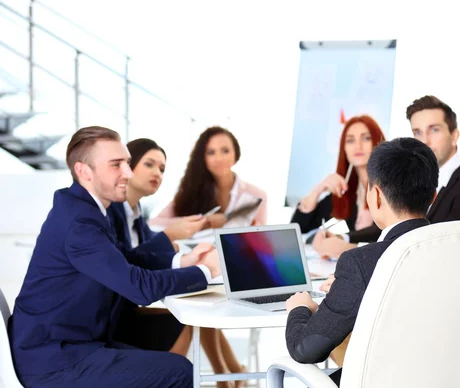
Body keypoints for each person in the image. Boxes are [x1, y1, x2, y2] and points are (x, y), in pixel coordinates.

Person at [8, 126, 221, 388]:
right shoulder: (80, 222)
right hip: (56, 360)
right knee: (180, 372)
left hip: (72, 344)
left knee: (169, 360)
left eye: (128, 164)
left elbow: (125, 258)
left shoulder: (88, 209)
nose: (128, 173)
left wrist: (183, 262)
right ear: (83, 171)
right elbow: (139, 288)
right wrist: (206, 271)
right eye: (116, 165)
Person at [285, 137, 438, 386]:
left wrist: (300, 308)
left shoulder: (361, 263)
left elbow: (305, 349)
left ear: (375, 196)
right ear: (432, 197)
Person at [108, 138, 245, 388]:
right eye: (149, 164)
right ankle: (224, 376)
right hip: (114, 316)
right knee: (187, 316)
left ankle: (229, 375)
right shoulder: (113, 212)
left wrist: (182, 257)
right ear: (128, 165)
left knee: (195, 311)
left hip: (125, 306)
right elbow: (127, 262)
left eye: (161, 169)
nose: (156, 173)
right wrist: (171, 237)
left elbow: (146, 255)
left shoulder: (135, 213)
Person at [313, 95, 460, 259]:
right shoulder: (419, 174)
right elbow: (396, 222)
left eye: (434, 130)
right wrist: (345, 238)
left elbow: (437, 248)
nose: (425, 141)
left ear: (454, 135)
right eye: (417, 132)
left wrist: (353, 249)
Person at [150, 126, 267, 229]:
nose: (219, 158)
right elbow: (154, 223)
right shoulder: (191, 190)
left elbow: (261, 240)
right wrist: (203, 222)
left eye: (225, 151)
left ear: (236, 153)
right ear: (203, 158)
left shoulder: (257, 195)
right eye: (211, 152)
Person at [291, 115, 385, 237]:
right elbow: (298, 230)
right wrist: (317, 190)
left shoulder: (391, 185)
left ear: (378, 141)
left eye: (366, 138)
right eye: (350, 140)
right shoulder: (347, 190)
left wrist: (344, 239)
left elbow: (385, 232)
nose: (358, 146)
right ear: (344, 148)